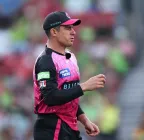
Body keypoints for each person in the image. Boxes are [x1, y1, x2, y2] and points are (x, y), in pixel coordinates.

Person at [33, 11, 106, 140]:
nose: (73, 32)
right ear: (54, 32)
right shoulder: (45, 61)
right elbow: (50, 98)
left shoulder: (71, 57)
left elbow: (68, 95)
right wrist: (84, 87)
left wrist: (84, 119)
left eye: (72, 28)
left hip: (69, 126)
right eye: (67, 28)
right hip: (51, 128)